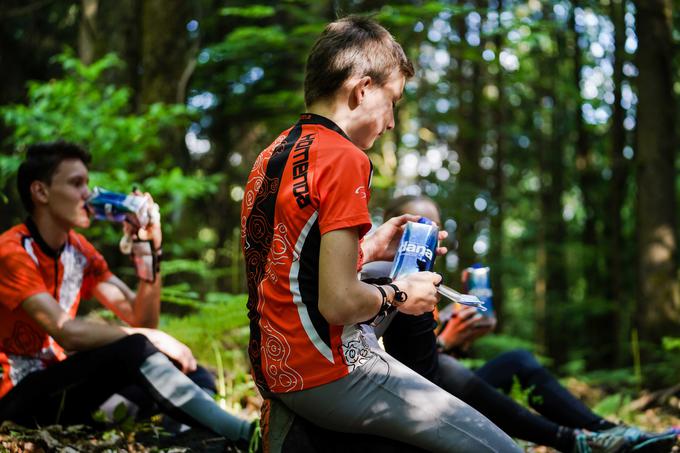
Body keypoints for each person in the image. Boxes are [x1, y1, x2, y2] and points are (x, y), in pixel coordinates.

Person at [241, 15, 521, 453]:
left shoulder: (273, 154)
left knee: (385, 262)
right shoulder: (344, 158)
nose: (391, 121)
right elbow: (338, 304)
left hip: (274, 364)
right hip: (327, 369)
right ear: (362, 89)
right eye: (393, 101)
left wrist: (372, 245)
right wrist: (401, 294)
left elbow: (290, 268)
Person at [372, 194, 677, 453]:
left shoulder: (427, 283)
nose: (426, 232)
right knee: (449, 366)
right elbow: (385, 357)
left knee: (516, 360)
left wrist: (459, 338)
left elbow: (426, 358)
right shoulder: (379, 276)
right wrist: (445, 342)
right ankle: (575, 442)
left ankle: (609, 431)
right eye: (416, 224)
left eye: (433, 225)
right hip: (395, 398)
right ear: (391, 226)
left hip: (435, 388)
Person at [0, 142, 253, 448]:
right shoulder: (12, 251)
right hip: (16, 398)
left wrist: (147, 248)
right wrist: (148, 336)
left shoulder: (80, 250)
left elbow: (142, 318)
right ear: (40, 192)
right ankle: (247, 435)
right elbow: (67, 332)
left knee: (194, 375)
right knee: (136, 346)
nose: (88, 194)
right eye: (76, 183)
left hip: (66, 394)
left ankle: (183, 441)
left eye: (87, 182)